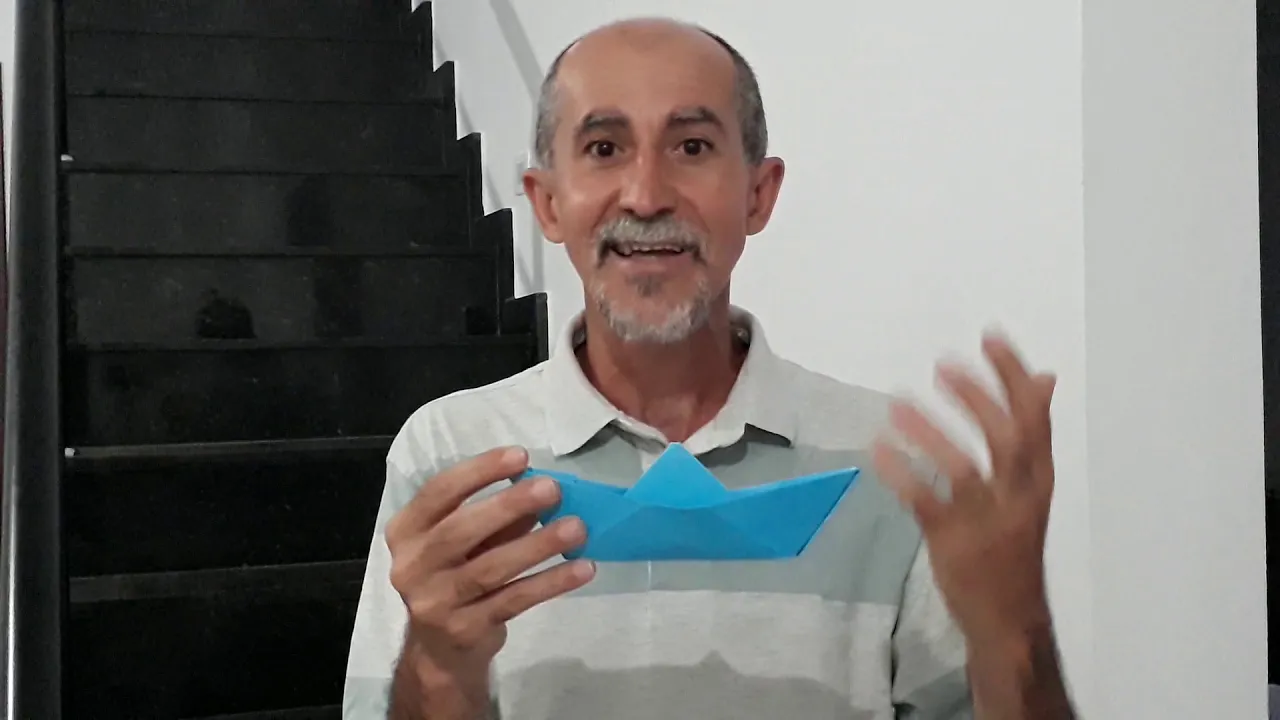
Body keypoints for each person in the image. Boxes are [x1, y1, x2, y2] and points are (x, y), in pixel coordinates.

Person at [343, 16, 1077, 720]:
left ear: (758, 194)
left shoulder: (897, 468)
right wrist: (438, 662)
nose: (646, 196)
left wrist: (1018, 633)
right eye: (604, 148)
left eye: (692, 147)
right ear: (547, 203)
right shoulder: (451, 459)